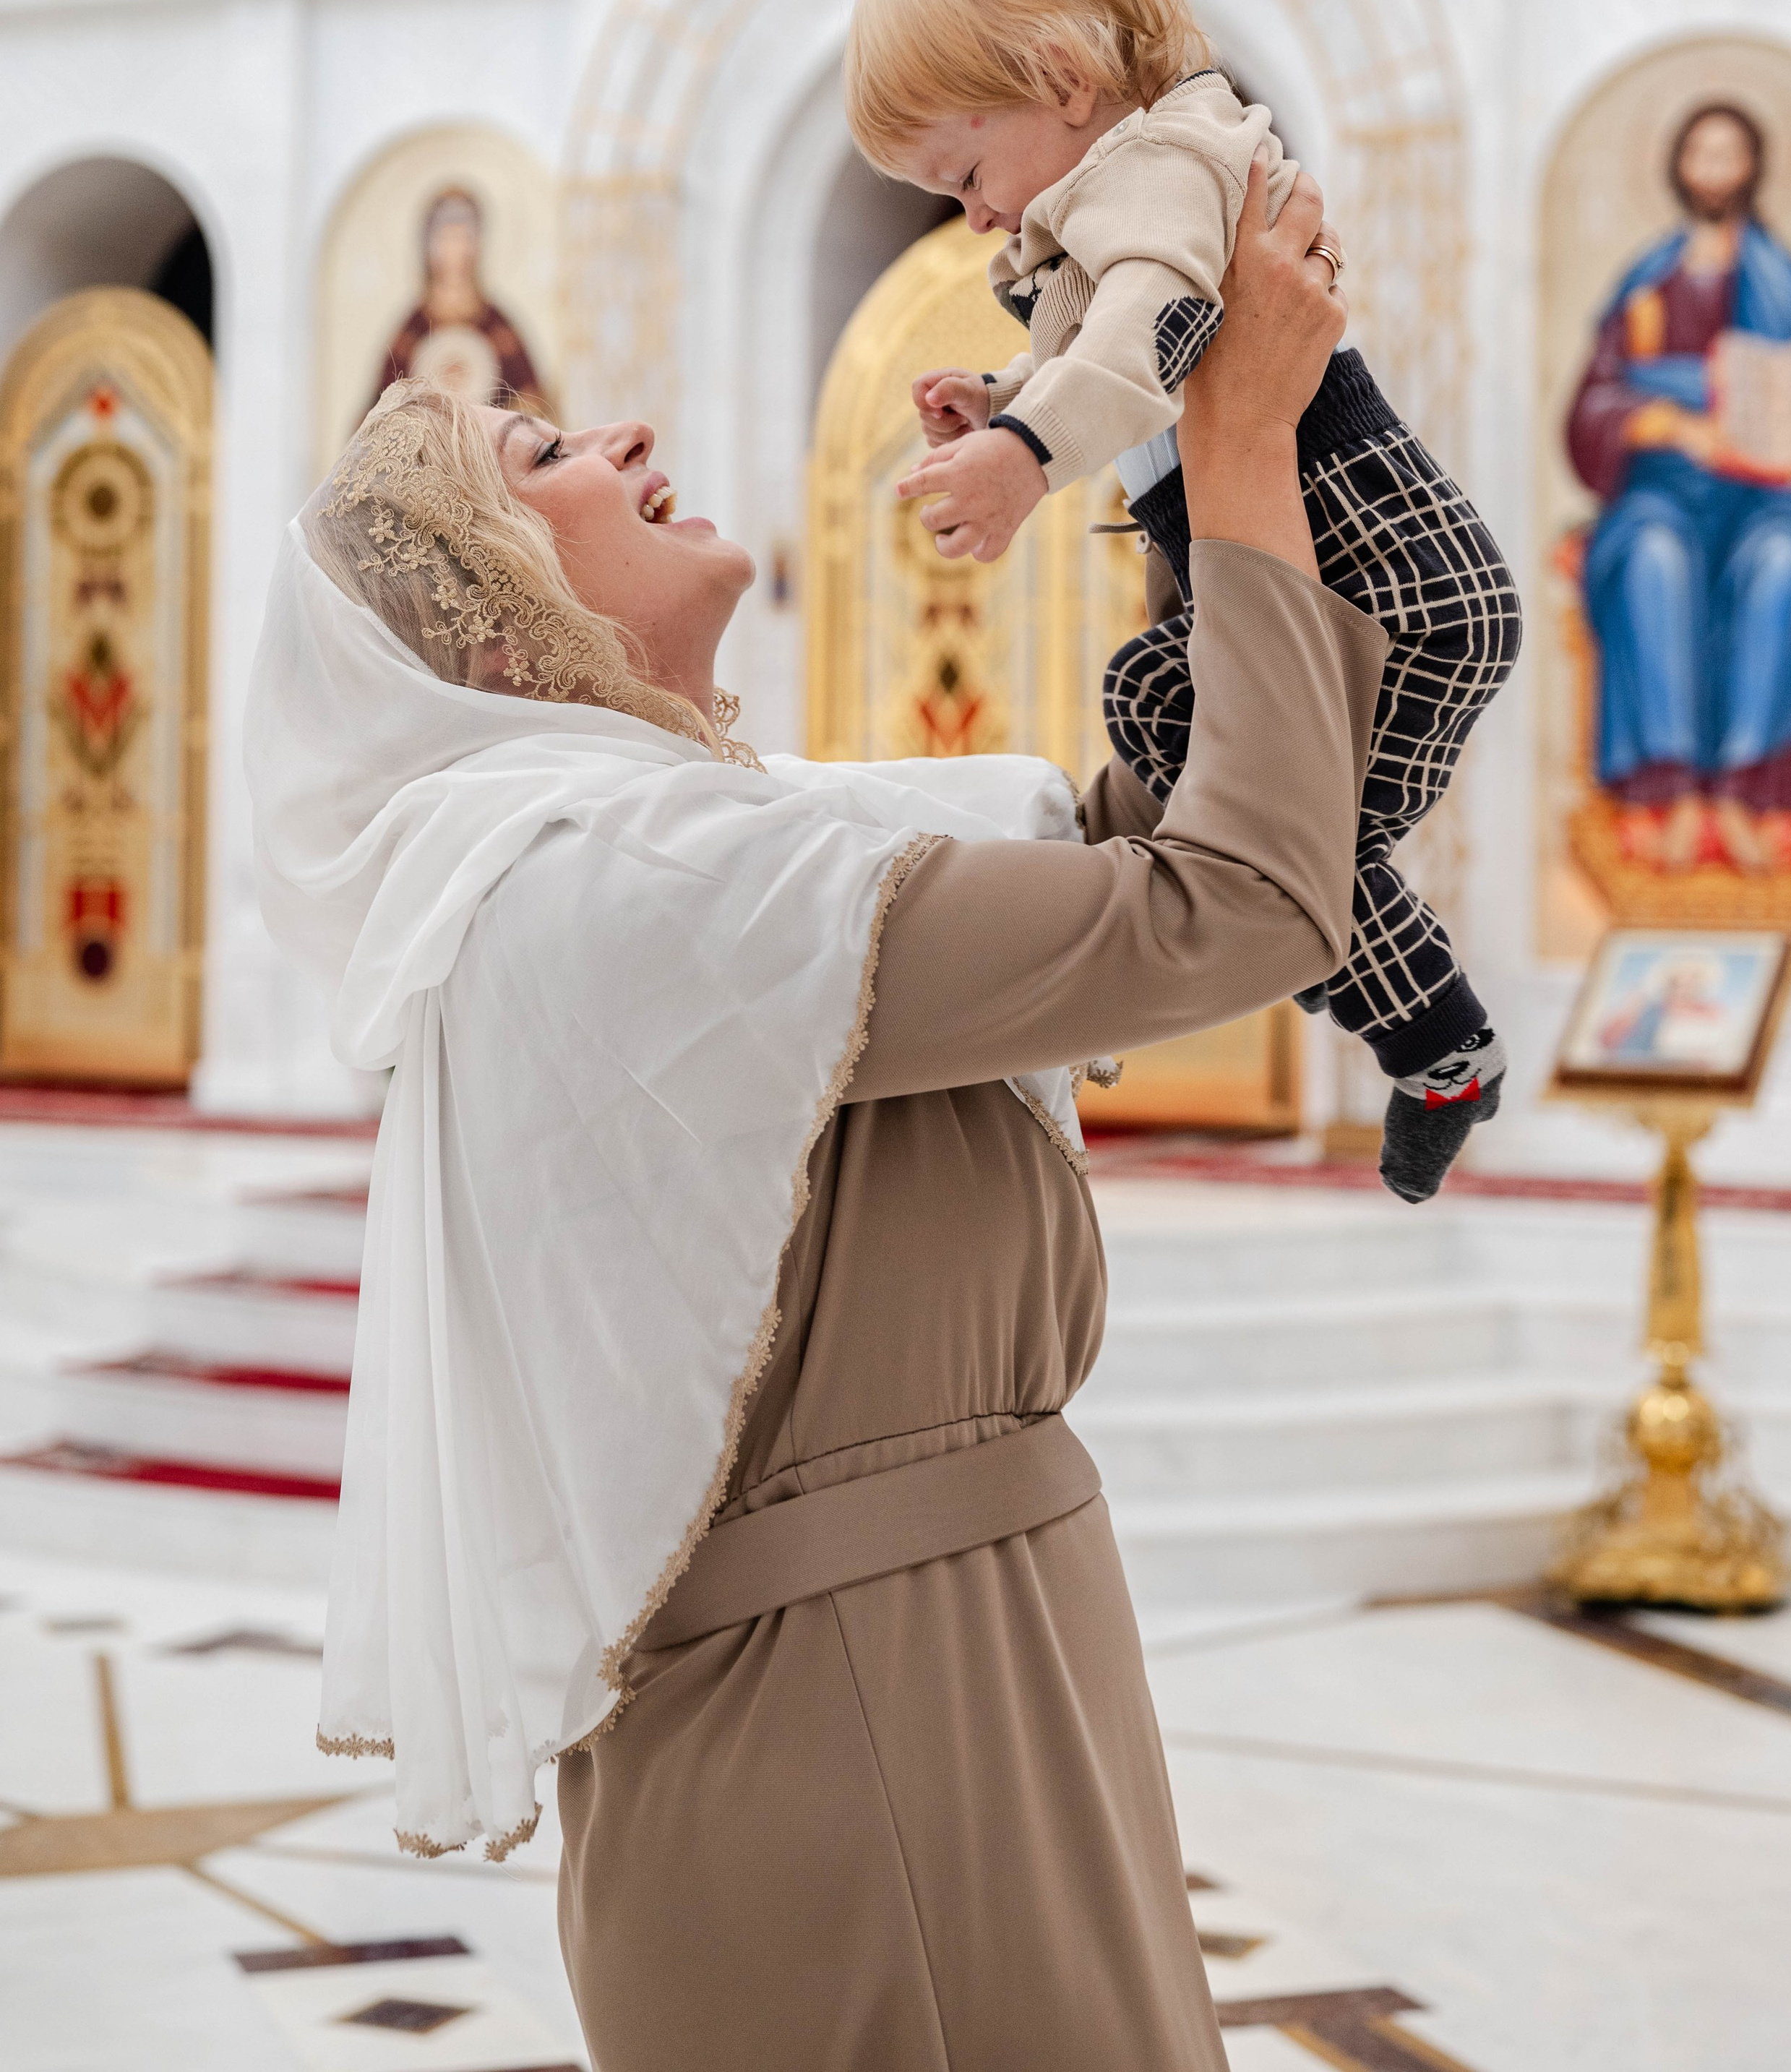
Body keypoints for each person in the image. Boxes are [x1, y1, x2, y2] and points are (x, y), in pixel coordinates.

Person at [245, 158, 1381, 2072]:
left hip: (959, 1645)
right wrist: (1245, 434)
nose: (625, 433)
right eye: (544, 454)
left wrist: (1136, 409)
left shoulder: (713, 848)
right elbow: (1238, 906)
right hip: (855, 1723)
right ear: (498, 627)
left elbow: (1157, 828)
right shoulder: (613, 880)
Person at [844, 0, 1522, 1203]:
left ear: (1064, 77)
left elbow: (1155, 340)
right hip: (1362, 588)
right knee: (1194, 744)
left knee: (1249, 833)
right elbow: (1130, 351)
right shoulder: (1120, 195)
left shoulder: (1155, 173)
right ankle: (1437, 1036)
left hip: (1383, 583)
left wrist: (1027, 456)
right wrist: (1002, 397)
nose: (972, 215)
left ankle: (1440, 1042)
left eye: (967, 173)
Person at [1567, 100, 1791, 876]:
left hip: (1770, 500)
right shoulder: (1647, 282)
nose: (1716, 172)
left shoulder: (1785, 281)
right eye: (1703, 155)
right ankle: (1669, 792)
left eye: (1730, 156)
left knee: (1790, 560)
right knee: (1654, 557)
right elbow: (1593, 402)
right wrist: (1672, 422)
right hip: (1662, 493)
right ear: (1679, 167)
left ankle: (1749, 790)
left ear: (1753, 168)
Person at [369, 182, 556, 421]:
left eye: (463, 238)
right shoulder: (412, 331)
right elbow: (380, 409)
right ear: (428, 245)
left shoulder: (498, 327)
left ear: (477, 245)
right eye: (446, 238)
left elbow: (531, 403)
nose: (455, 249)